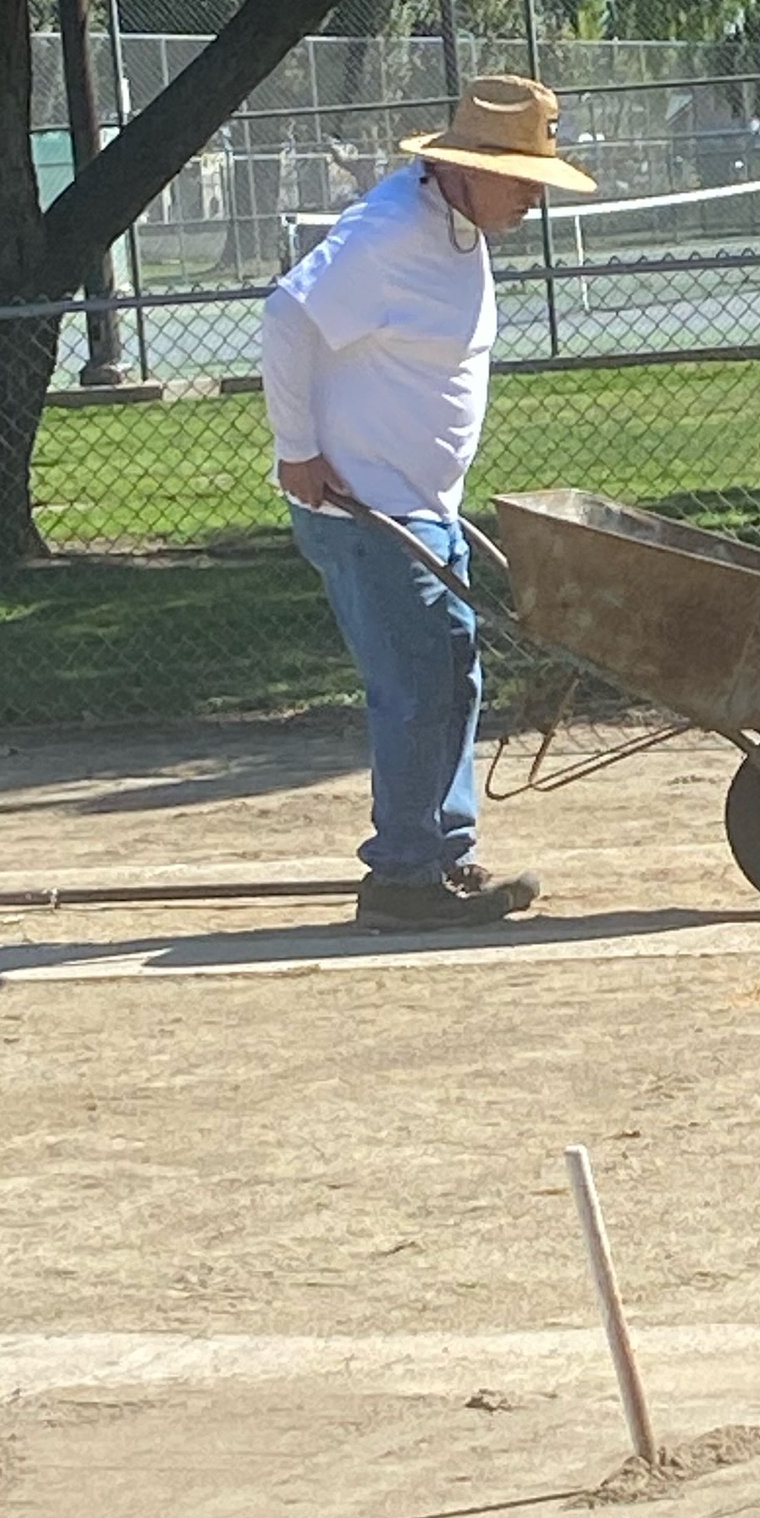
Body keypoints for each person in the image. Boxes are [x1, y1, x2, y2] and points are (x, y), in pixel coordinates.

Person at [261, 74, 594, 931]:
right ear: (468, 167)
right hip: (365, 507)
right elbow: (287, 317)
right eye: (522, 180)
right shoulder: (387, 233)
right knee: (415, 684)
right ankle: (403, 876)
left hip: (422, 504)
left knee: (453, 672)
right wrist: (297, 449)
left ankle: (442, 854)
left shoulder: (456, 228)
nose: (531, 198)